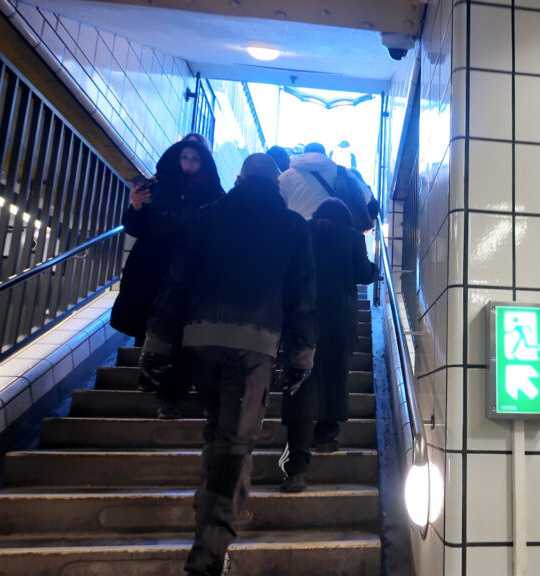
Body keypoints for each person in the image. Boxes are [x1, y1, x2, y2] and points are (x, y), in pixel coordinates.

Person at [140, 153, 317, 576]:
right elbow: (302, 299)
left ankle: (211, 528)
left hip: (199, 342)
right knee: (234, 447)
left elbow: (175, 284)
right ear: (277, 184)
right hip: (254, 346)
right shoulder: (293, 226)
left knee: (217, 434)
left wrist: (157, 343)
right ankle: (208, 556)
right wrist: (301, 355)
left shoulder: (205, 217)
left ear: (239, 179)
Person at [110, 139, 224, 419]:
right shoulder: (156, 188)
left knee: (179, 333)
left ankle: (170, 394)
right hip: (152, 269)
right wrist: (135, 208)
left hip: (190, 274)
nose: (189, 164)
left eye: (195, 159)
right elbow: (135, 228)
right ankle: (152, 377)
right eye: (185, 157)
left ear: (204, 162)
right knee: (150, 324)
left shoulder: (213, 194)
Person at [280, 198, 376, 491]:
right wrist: (375, 269)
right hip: (338, 319)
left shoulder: (302, 231)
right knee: (336, 374)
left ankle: (297, 460)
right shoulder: (352, 238)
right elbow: (363, 273)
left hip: (302, 317)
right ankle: (326, 435)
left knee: (300, 380)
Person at [277, 142, 372, 230]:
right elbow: (366, 196)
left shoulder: (286, 176)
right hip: (336, 233)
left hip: (301, 232)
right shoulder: (342, 172)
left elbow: (278, 206)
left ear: (304, 154)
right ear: (324, 154)